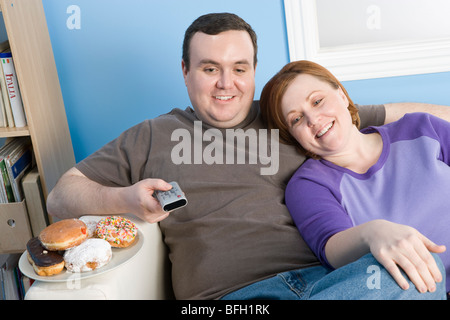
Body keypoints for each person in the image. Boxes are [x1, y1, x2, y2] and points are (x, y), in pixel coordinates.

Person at [47, 13, 449, 299]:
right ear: (185, 70)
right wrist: (122, 199)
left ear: (254, 70)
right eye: (209, 69)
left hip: (332, 283)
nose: (227, 83)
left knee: (418, 279)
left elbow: (397, 114)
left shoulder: (290, 115)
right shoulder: (152, 136)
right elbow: (60, 195)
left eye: (240, 68)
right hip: (233, 298)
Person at [259, 59, 449, 297]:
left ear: (341, 95)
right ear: (292, 135)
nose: (313, 120)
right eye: (296, 119)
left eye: (317, 101)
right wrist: (373, 232)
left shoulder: (421, 128)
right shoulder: (309, 185)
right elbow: (331, 250)